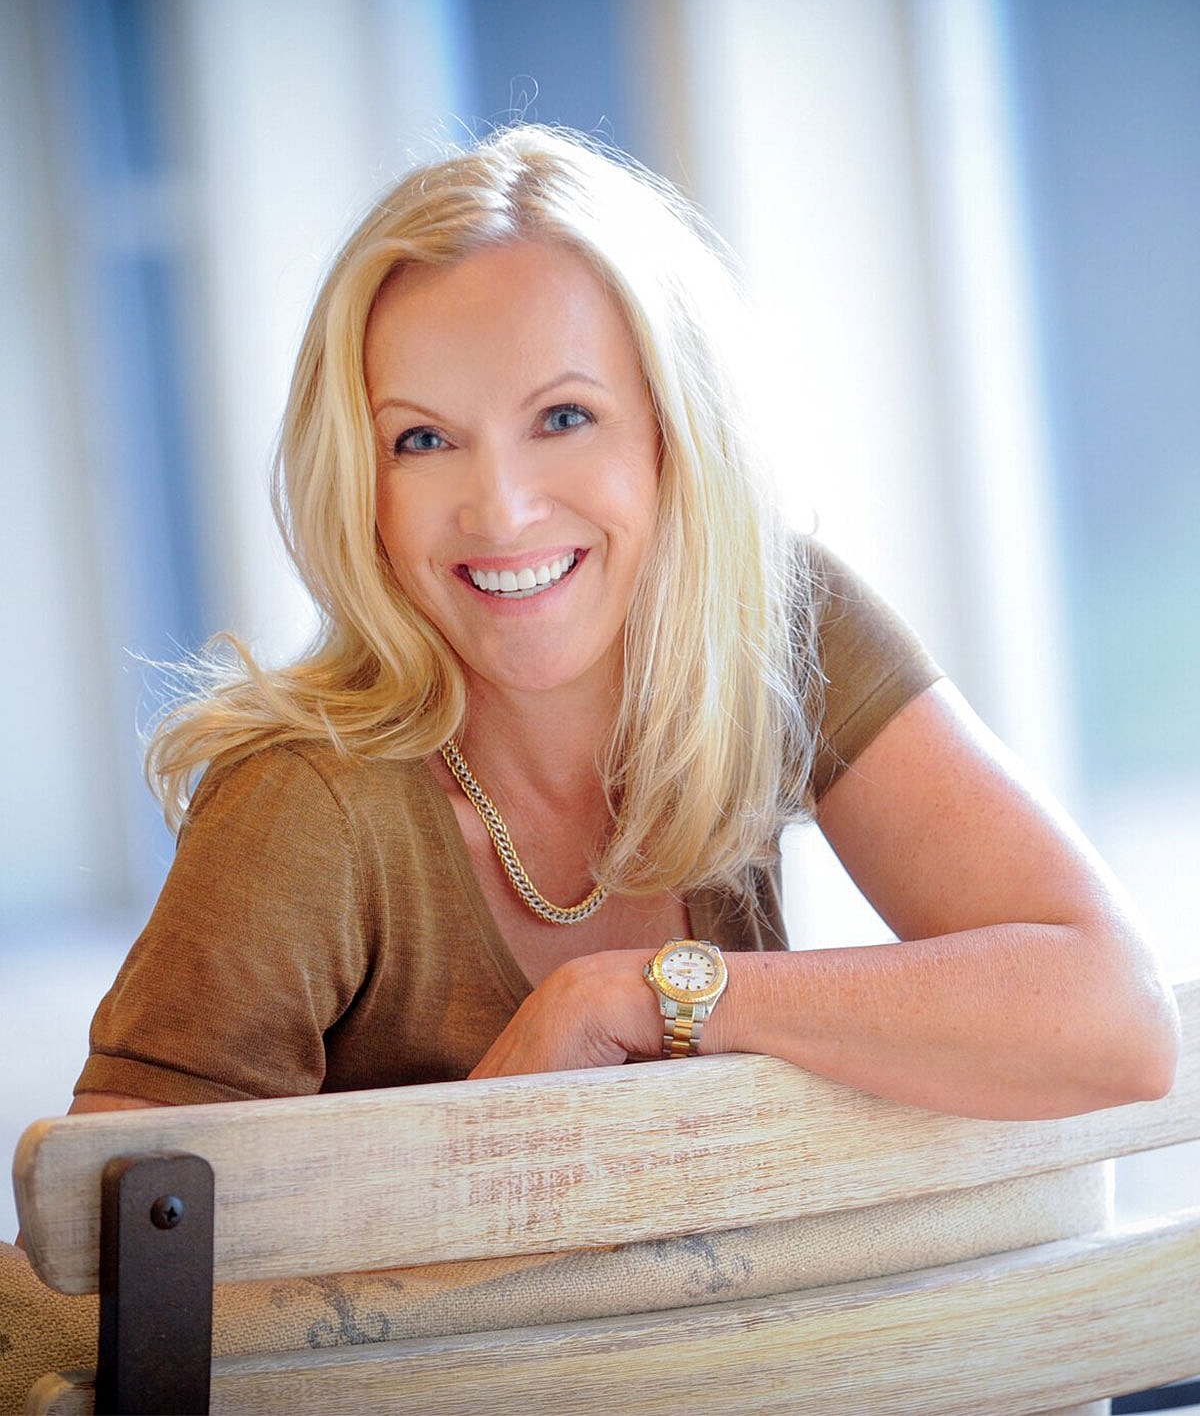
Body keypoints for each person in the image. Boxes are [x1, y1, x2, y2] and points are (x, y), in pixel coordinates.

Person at [72, 125, 1178, 1124]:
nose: (499, 508)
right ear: (358, 483)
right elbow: (122, 1269)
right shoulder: (301, 807)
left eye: (564, 417)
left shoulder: (778, 627)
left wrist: (637, 997)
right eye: (421, 440)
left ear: (671, 432)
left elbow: (1115, 1021)